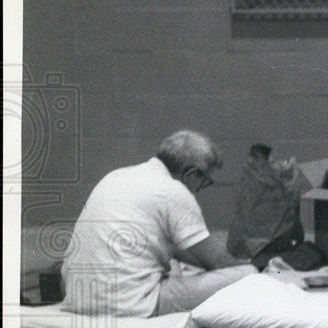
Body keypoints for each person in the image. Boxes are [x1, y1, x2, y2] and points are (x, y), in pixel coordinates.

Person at [61, 130, 257, 317]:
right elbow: (217, 262)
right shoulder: (174, 191)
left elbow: (173, 249)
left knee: (174, 263)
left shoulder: (116, 176)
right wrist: (249, 265)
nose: (200, 189)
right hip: (129, 305)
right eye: (204, 181)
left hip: (77, 299)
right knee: (247, 275)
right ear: (191, 174)